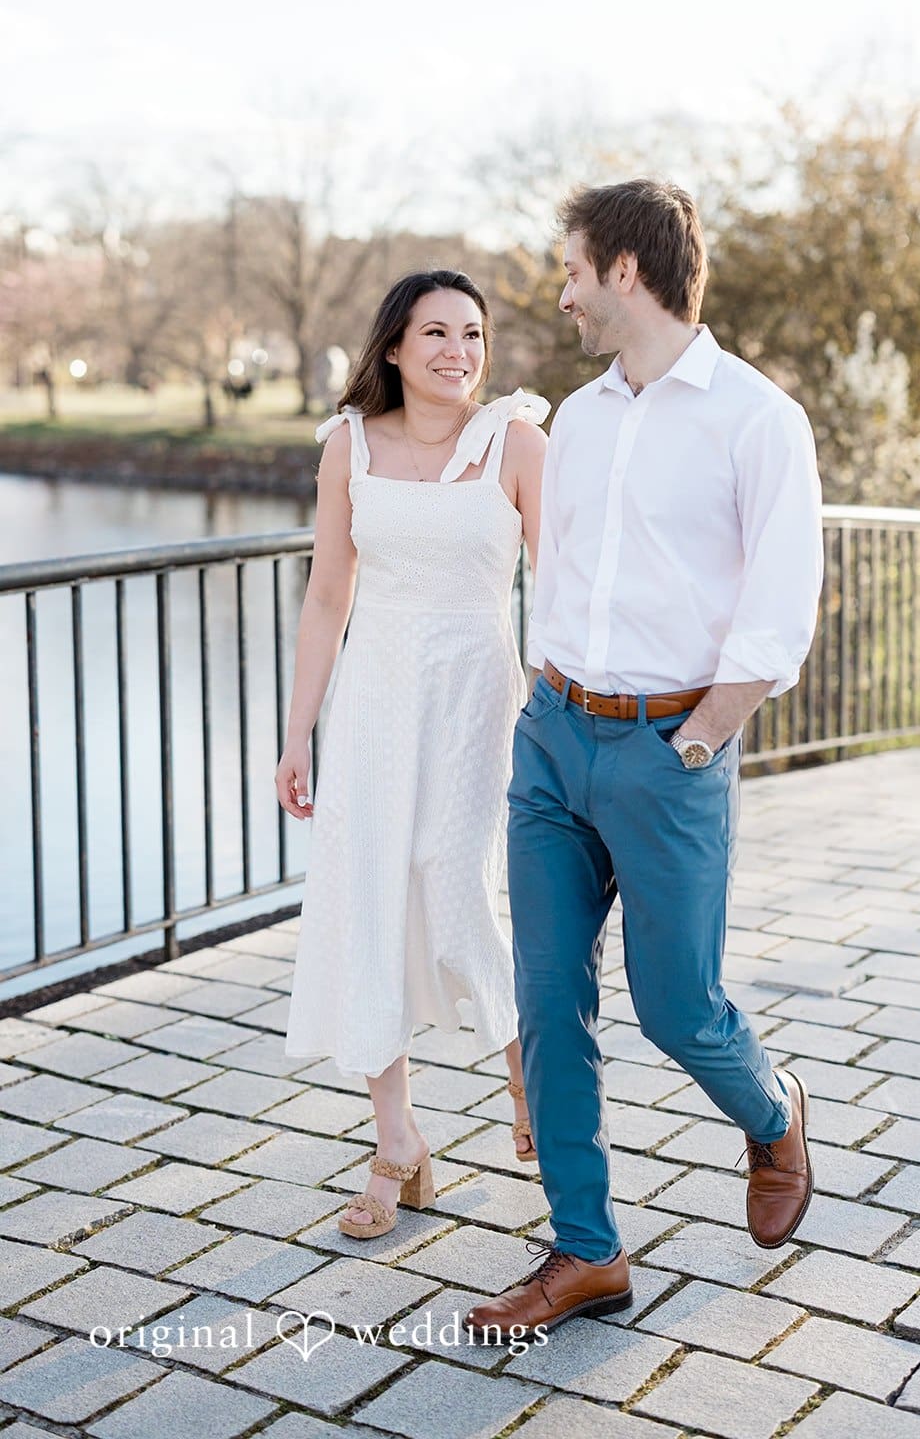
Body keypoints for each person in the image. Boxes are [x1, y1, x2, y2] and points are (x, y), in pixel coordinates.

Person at [466, 181, 824, 1337]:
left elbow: (778, 607)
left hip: (671, 750)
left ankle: (772, 1114)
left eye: (570, 270)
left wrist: (702, 735)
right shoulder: (580, 418)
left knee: (678, 1005)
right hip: (555, 738)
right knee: (548, 996)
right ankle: (587, 1251)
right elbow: (559, 571)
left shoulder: (758, 418)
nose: (561, 294)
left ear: (627, 270)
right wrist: (541, 708)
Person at [278, 269, 549, 1238]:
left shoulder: (518, 440)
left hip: (478, 690)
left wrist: (571, 714)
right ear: (394, 345)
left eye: (472, 333)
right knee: (368, 899)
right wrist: (297, 731)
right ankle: (397, 1140)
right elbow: (325, 598)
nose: (457, 352)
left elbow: (556, 587)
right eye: (435, 332)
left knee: (454, 876)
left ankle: (532, 1082)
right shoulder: (348, 445)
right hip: (375, 698)